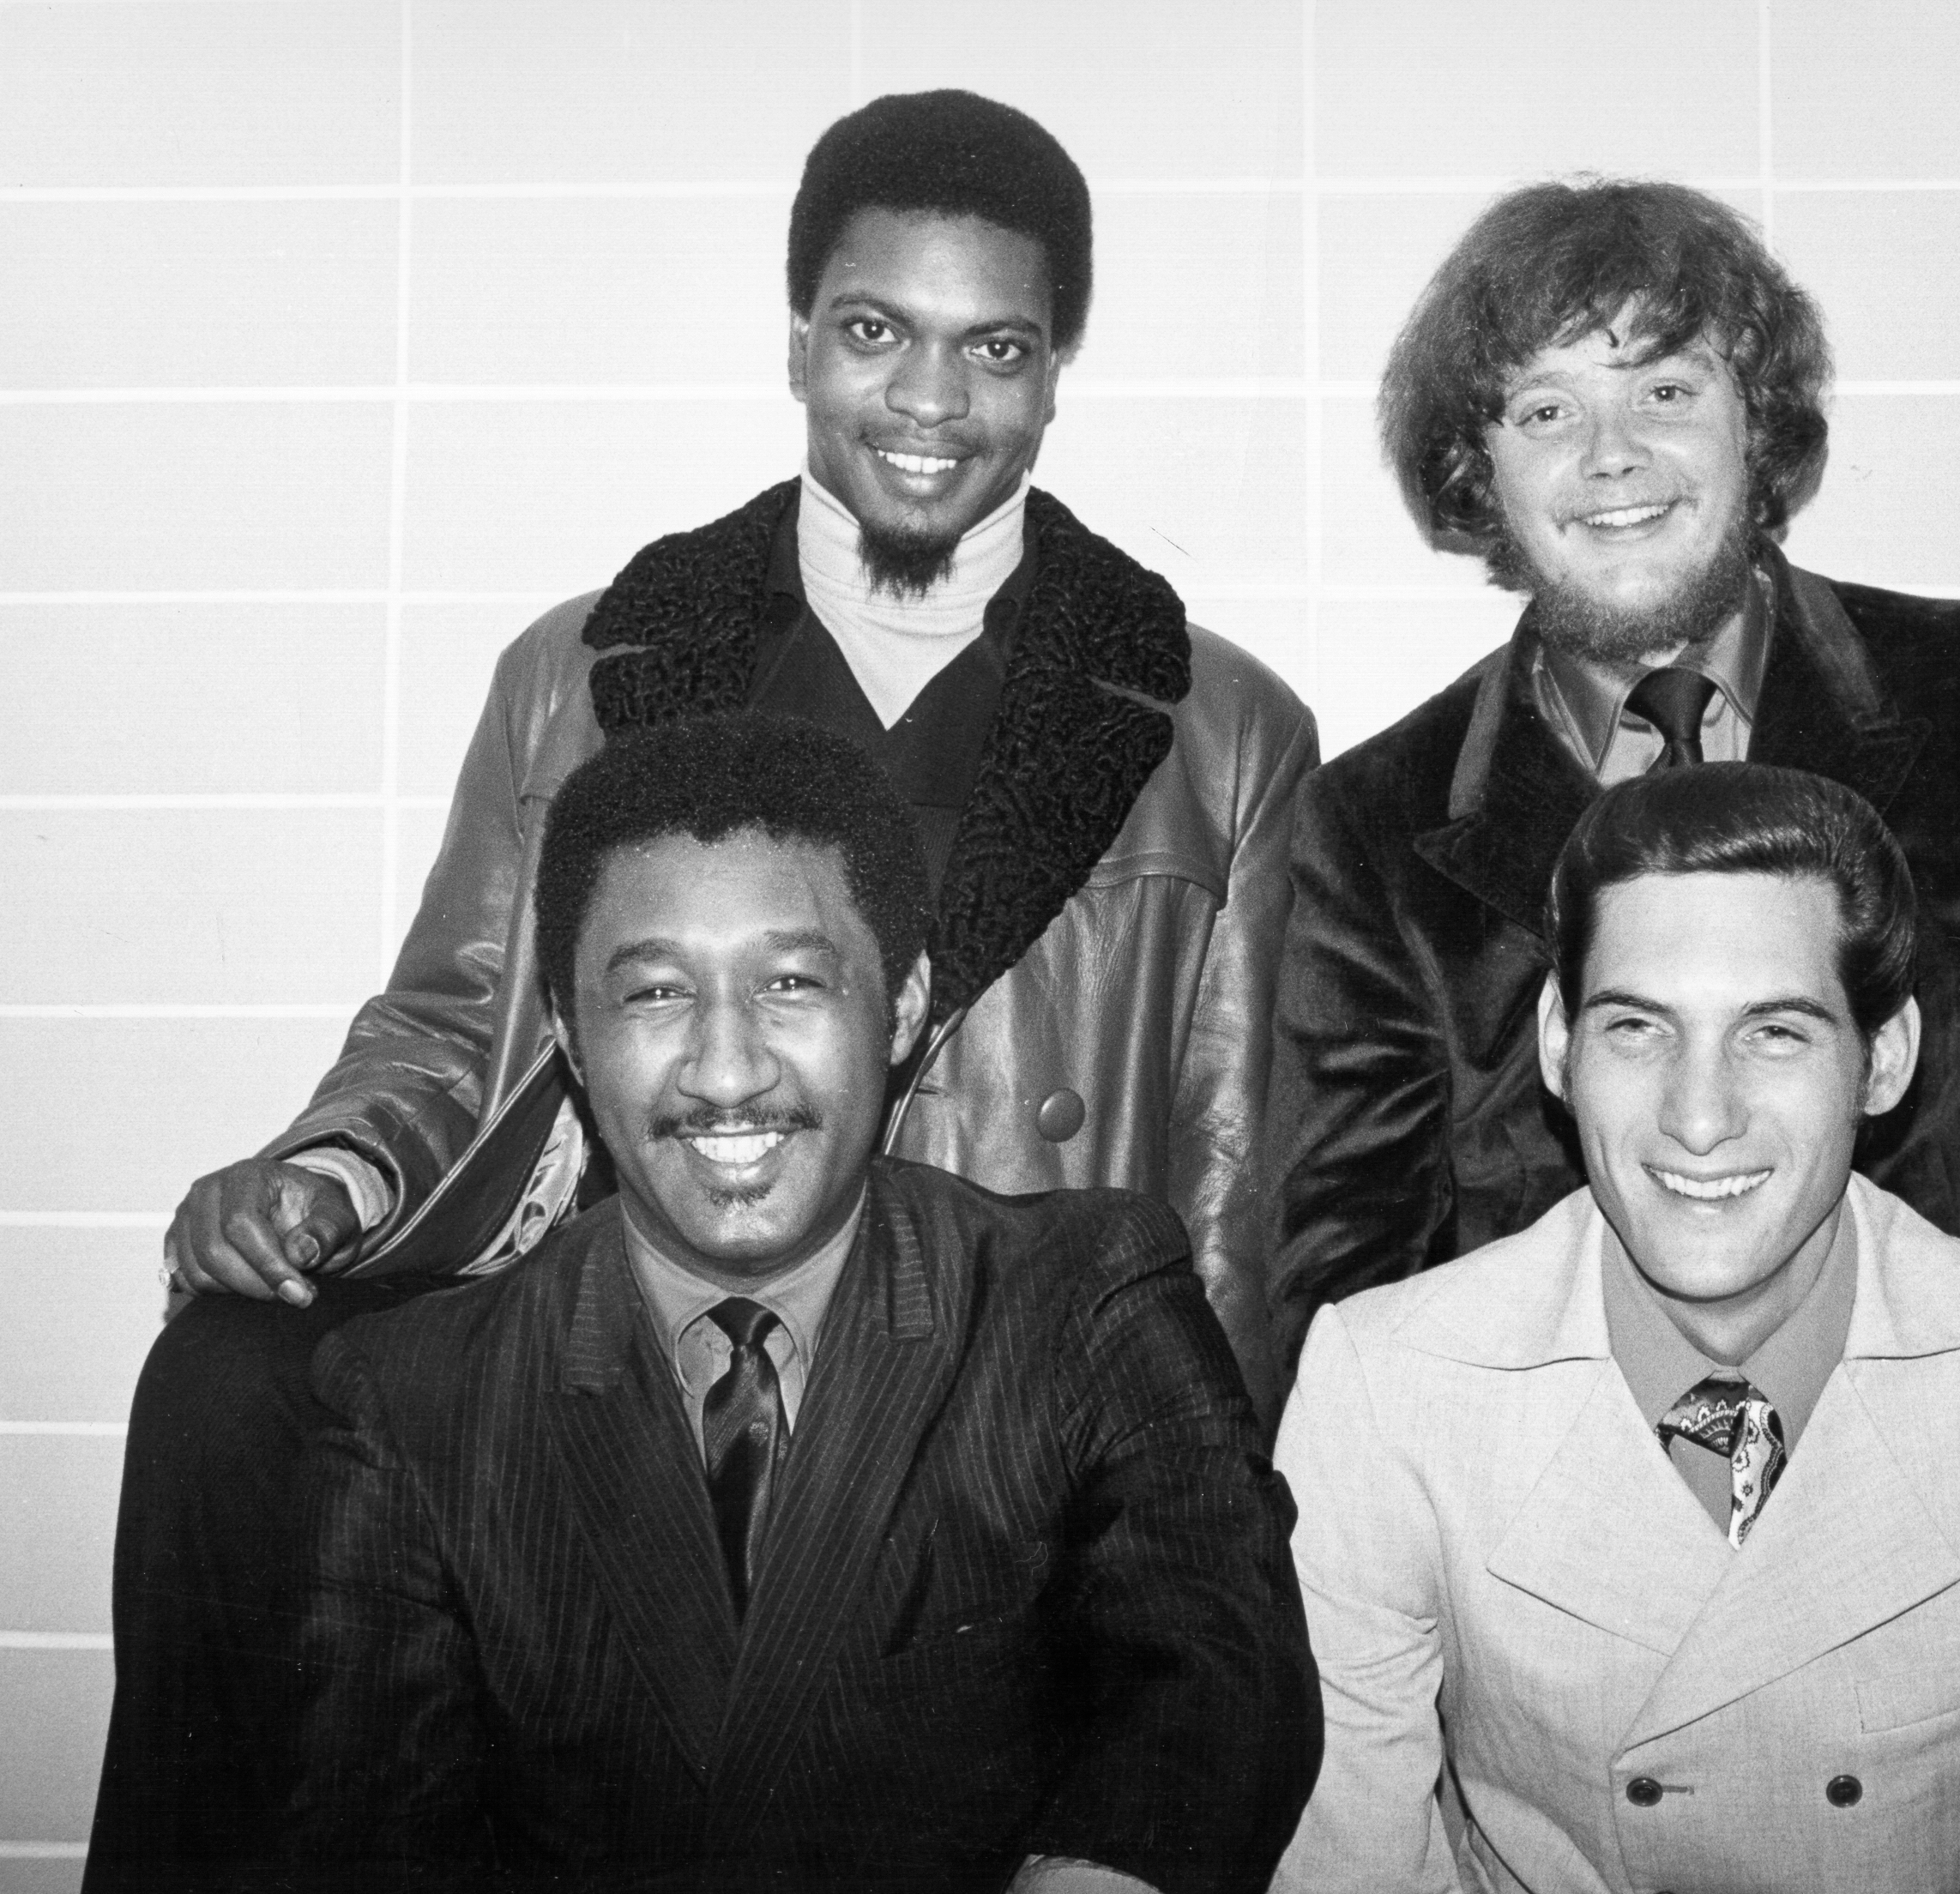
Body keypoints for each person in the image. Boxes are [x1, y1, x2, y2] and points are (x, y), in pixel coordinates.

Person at [92, 90, 1315, 1889]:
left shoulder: (1218, 728)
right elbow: (459, 1016)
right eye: (876, 333)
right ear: (801, 343)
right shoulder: (590, 665)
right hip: (626, 1340)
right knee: (223, 1389)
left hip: (973, 1393)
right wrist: (332, 1180)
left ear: (1056, 378)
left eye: (997, 348)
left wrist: (1171, 1493)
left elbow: (1236, 1184)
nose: (928, 402)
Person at [1265, 179, 1960, 1891]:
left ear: (1757, 424)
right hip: (1570, 1516)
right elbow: (1349, 1250)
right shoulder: (1374, 820)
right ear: (1480, 471)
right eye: (1547, 407)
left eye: (1665, 390)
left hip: (1911, 1474)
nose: (1611, 450)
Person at [283, 713, 1320, 1892]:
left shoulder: (1083, 1301)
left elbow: (1218, 1673)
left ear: (904, 1006)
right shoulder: (415, 1400)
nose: (728, 1071)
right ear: (569, 1034)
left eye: (789, 983)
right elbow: (372, 1836)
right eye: (658, 992)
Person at [1272, 763, 1960, 1892]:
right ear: (1560, 1043)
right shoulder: (1384, 1388)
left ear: (1884, 1059)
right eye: (1639, 1028)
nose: (1701, 1118)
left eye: (1777, 1034)